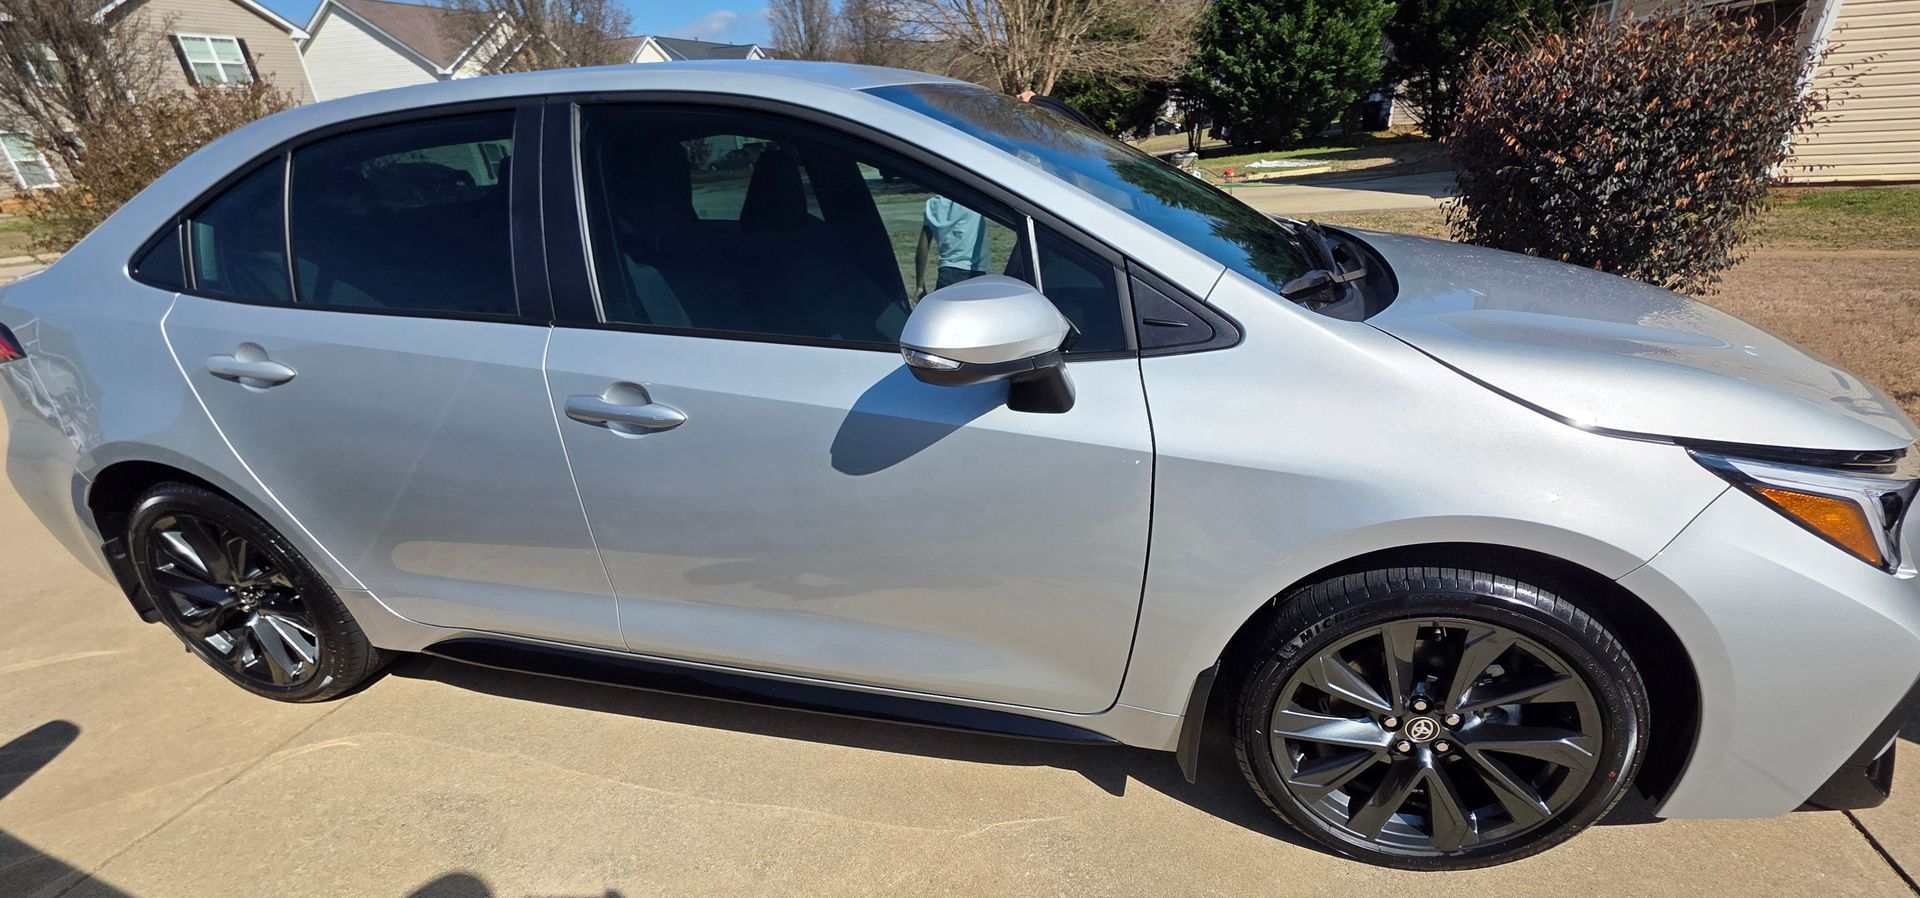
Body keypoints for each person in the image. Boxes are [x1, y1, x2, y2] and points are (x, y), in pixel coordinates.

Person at [913, 196, 990, 300]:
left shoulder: (931, 205)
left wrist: (920, 285)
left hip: (946, 273)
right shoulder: (971, 200)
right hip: (972, 271)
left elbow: (923, 248)